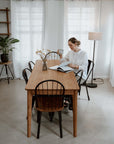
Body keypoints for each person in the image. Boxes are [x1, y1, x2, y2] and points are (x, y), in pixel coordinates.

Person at [57, 37, 88, 109]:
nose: (70, 47)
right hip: (71, 73)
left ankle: (70, 101)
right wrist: (60, 55)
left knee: (68, 83)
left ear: (76, 44)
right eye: (68, 45)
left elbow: (84, 67)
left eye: (71, 45)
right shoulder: (70, 52)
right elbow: (63, 61)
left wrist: (75, 66)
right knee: (61, 80)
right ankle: (66, 99)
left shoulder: (84, 53)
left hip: (80, 75)